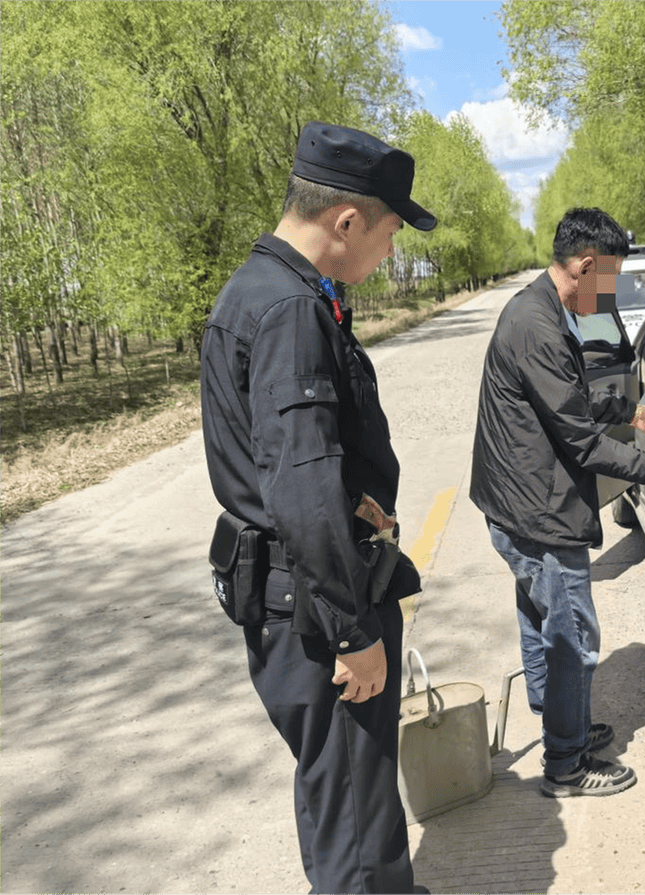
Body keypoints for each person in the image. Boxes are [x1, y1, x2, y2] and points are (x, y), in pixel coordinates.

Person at [200, 121, 436, 894]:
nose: (390, 252)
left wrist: (352, 499)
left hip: (296, 591)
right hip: (315, 606)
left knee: (345, 798)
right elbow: (299, 487)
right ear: (346, 220)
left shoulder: (263, 289)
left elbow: (288, 462)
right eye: (390, 232)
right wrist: (351, 629)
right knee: (355, 829)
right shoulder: (289, 310)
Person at [470, 206, 645, 798]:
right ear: (585, 266)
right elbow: (581, 442)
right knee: (573, 638)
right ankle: (566, 764)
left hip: (515, 504)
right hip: (535, 512)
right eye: (609, 280)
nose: (610, 295)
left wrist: (630, 411)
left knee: (543, 621)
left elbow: (570, 398)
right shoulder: (536, 325)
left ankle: (565, 723)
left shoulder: (541, 310)